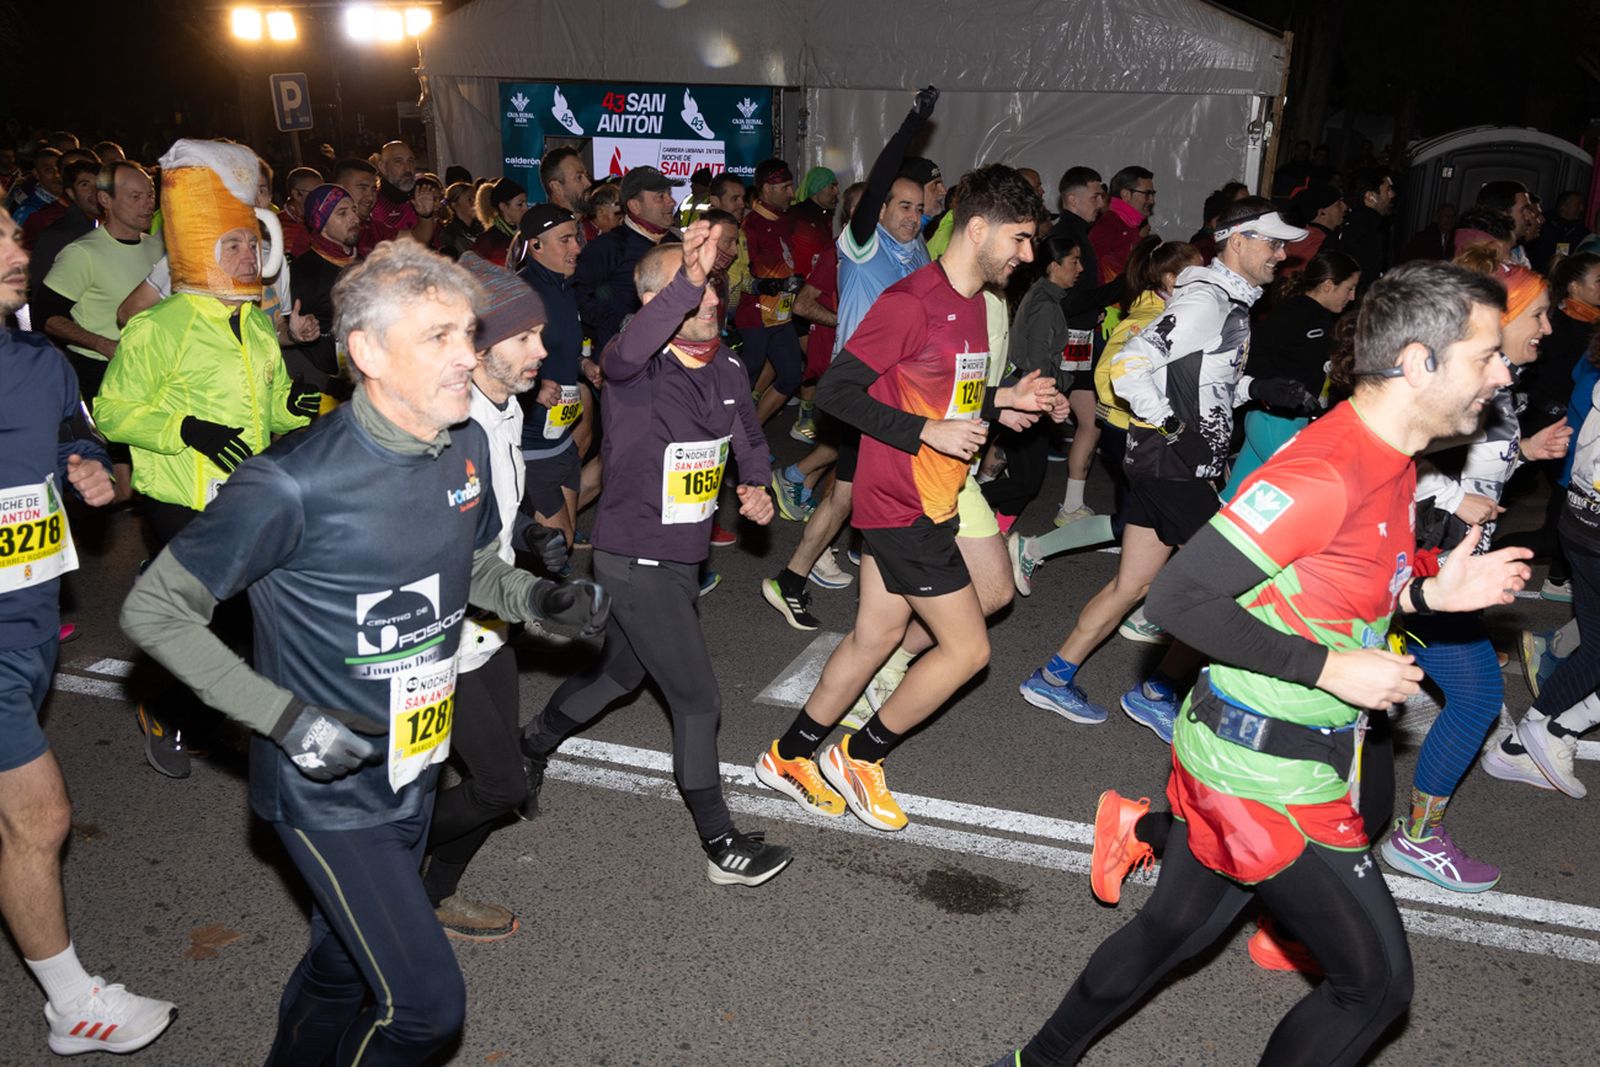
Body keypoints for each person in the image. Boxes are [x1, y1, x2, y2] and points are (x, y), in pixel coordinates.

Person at [995, 260, 1532, 1067]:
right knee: (1375, 985)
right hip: (1265, 775)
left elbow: (1340, 594)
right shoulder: (1326, 470)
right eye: (1487, 353)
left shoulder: (1393, 460)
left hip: (1264, 751)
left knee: (1171, 933)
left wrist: (1427, 600)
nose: (1503, 371)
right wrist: (1326, 669)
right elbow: (1178, 599)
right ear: (1420, 362)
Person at [120, 239, 609, 1063]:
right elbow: (154, 609)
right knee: (424, 1007)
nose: (468, 355)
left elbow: (478, 564)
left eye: (468, 332)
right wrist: (283, 718)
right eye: (440, 338)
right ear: (367, 352)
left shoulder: (460, 446)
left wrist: (540, 598)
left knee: (340, 967)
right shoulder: (292, 483)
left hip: (415, 759)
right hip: (328, 791)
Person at [754, 164, 1058, 833]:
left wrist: (1005, 400)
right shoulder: (910, 302)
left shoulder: (979, 305)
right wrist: (927, 431)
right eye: (1021, 239)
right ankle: (861, 757)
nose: (1027, 255)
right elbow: (836, 391)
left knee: (876, 636)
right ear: (979, 228)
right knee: (968, 651)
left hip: (936, 496)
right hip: (903, 502)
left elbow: (942, 388)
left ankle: (789, 755)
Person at [519, 220, 791, 885]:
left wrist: (756, 486)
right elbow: (624, 352)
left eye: (710, 290)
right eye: (688, 291)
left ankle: (530, 742)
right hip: (635, 559)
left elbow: (747, 435)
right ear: (654, 300)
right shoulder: (633, 365)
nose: (708, 302)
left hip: (679, 558)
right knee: (699, 702)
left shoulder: (726, 364)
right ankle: (721, 845)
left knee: (619, 676)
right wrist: (689, 277)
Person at [1020, 199, 1313, 737]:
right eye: (1272, 242)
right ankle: (1157, 692)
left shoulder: (1228, 302)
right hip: (1174, 466)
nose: (1282, 253)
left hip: (1171, 466)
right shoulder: (1207, 302)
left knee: (1130, 585)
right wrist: (1174, 428)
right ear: (1238, 240)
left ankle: (1053, 677)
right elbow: (1132, 367)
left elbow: (1204, 380)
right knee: (1232, 587)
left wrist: (1258, 390)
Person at [0, 205, 177, 1057]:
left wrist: (95, 472)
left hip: (32, 618)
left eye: (12, 232)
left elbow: (81, 434)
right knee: (40, 818)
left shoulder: (38, 361)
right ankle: (72, 1003)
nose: (17, 249)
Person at [97, 142, 320, 778]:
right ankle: (168, 711)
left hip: (243, 494)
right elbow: (112, 412)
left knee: (249, 622)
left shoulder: (253, 324)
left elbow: (267, 405)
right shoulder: (159, 327)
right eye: (234, 245)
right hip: (180, 500)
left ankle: (215, 715)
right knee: (215, 626)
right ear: (201, 250)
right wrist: (184, 427)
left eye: (251, 243)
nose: (248, 256)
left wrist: (295, 406)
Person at [1384, 258, 1566, 891]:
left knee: (1459, 699)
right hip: (1416, 567)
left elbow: (1475, 463)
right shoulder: (1458, 381)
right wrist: (1444, 499)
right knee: (1475, 697)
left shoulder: (1501, 380)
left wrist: (1523, 451)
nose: (1549, 325)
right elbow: (1388, 450)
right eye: (1537, 313)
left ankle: (1403, 833)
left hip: (1450, 567)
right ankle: (1410, 838)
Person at [424, 251, 568, 937]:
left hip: (488, 627)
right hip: (435, 638)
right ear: (477, 348)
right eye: (525, 338)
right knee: (502, 786)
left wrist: (530, 538)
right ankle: (388, 859)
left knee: (499, 777)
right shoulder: (454, 425)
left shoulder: (502, 408)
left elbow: (488, 515)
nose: (542, 349)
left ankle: (432, 893)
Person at [762, 87, 937, 631]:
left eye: (918, 207)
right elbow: (885, 174)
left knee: (850, 491)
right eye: (901, 206)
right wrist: (912, 122)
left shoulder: (918, 250)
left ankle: (794, 577)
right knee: (871, 494)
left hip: (894, 390)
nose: (912, 215)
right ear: (879, 208)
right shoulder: (864, 243)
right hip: (859, 388)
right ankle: (878, 593)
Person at [1010, 237, 1205, 594]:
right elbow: (1109, 371)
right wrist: (1144, 411)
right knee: (1153, 520)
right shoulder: (1149, 319)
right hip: (1130, 431)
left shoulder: (1176, 314)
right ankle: (1036, 548)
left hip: (1145, 433)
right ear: (1170, 279)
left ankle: (1146, 600)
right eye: (1198, 271)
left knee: (1143, 521)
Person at [1220, 249, 1361, 498]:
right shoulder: (1296, 313)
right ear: (1328, 285)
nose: (1352, 296)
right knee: (1305, 494)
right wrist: (1274, 388)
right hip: (1274, 420)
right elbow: (1252, 355)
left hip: (1288, 421)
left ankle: (1208, 536)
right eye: (1348, 288)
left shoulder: (1325, 319)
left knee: (1235, 496)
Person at [1052, 166, 1126, 528]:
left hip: (1080, 340)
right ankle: (983, 484)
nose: (1102, 202)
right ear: (1072, 199)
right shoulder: (1066, 235)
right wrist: (1123, 285)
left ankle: (1070, 506)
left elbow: (1079, 300)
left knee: (1090, 420)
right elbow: (1068, 301)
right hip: (1065, 341)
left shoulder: (1080, 233)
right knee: (1027, 422)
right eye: (1096, 195)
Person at [515, 204, 588, 547]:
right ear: (536, 246)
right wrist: (531, 386)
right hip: (530, 444)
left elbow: (560, 350)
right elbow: (484, 362)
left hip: (561, 435)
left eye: (576, 238)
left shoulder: (563, 287)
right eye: (566, 240)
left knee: (564, 542)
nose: (576, 247)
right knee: (555, 546)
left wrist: (584, 366)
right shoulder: (521, 294)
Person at [572, 165, 681, 349]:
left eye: (669, 194)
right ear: (634, 206)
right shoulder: (609, 247)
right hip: (622, 356)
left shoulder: (676, 244)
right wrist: (620, 322)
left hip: (670, 357)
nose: (671, 202)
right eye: (660, 196)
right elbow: (578, 293)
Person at [736, 159, 807, 426]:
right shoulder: (750, 226)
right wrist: (767, 283)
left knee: (790, 376)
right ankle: (724, 436)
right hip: (756, 315)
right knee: (746, 378)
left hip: (781, 315)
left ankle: (752, 434)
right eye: (785, 187)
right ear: (767, 188)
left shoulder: (784, 221)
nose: (792, 193)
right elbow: (741, 275)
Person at [285, 184, 362, 400]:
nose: (354, 219)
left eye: (354, 210)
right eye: (342, 213)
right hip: (325, 394)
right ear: (321, 223)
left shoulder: (365, 263)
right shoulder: (305, 272)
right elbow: (287, 343)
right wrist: (324, 384)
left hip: (366, 384)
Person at [26, 156, 99, 299]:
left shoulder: (113, 228)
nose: (95, 191)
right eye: (84, 185)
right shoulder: (56, 235)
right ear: (71, 193)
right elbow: (42, 296)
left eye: (100, 184)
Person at [365, 140, 438, 250]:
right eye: (398, 161)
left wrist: (427, 216)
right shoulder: (372, 203)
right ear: (383, 167)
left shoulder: (422, 199)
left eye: (411, 161)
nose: (408, 168)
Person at [1090, 166, 1156, 284]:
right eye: (1147, 194)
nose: (1152, 200)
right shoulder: (1109, 226)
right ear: (1126, 195)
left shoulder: (1129, 225)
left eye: (1153, 194)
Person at [1336, 168, 1396, 294]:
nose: (1392, 195)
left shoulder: (1352, 222)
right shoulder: (1368, 228)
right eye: (1388, 190)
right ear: (1370, 196)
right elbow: (1368, 277)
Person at [1278, 185, 1345, 275]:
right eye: (1339, 204)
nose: (1345, 207)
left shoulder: (1303, 236)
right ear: (1322, 212)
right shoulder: (1315, 241)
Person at [471, 177, 528, 267]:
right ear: (503, 207)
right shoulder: (488, 240)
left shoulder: (526, 235)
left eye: (526, 203)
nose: (525, 208)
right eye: (520, 204)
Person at [1530, 191, 1591, 271]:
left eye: (1582, 205)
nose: (1582, 209)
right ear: (1563, 206)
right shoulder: (1542, 225)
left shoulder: (1583, 232)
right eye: (1577, 205)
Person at [278, 165, 325, 259]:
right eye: (316, 193)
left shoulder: (322, 220)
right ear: (297, 194)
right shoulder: (280, 226)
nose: (322, 199)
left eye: (323, 193)